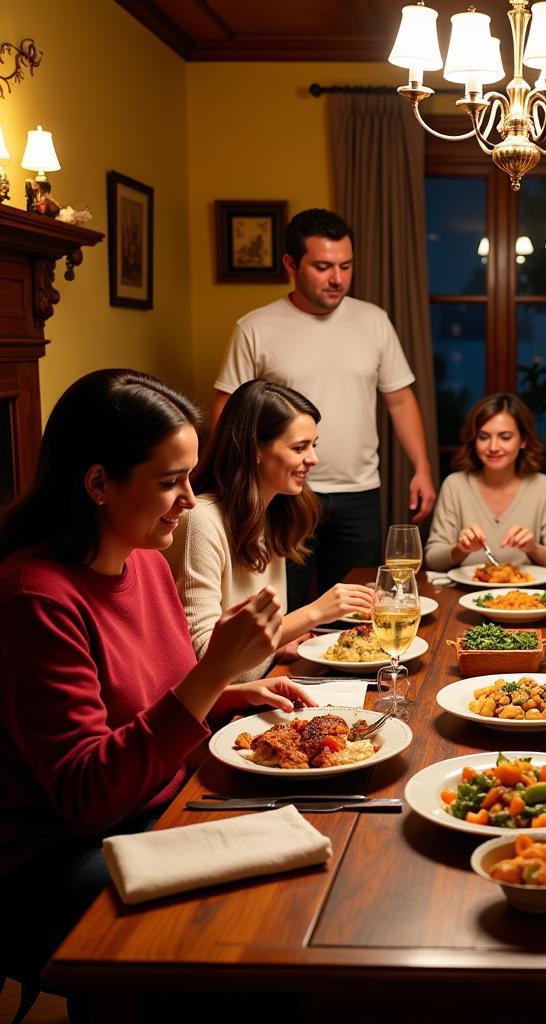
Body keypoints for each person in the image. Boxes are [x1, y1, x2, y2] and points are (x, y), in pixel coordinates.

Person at [0, 370, 316, 1011]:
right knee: (245, 954)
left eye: (190, 478)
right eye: (171, 482)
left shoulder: (143, 557)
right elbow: (89, 797)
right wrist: (214, 674)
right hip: (56, 857)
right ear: (97, 485)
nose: (190, 502)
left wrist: (232, 697)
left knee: (307, 898)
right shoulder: (36, 596)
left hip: (158, 809)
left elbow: (151, 703)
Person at [212, 208, 436, 610]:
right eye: (323, 266)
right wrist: (233, 483)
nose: (337, 279)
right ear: (291, 264)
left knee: (361, 610)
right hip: (284, 493)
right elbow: (229, 411)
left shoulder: (375, 321)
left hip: (359, 492)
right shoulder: (255, 327)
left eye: (346, 266)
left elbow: (400, 399)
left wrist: (421, 467)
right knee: (287, 609)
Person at [165, 379, 373, 679]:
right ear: (255, 450)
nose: (313, 459)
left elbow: (253, 643)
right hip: (221, 715)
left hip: (265, 682)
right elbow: (205, 658)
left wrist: (275, 647)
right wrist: (313, 613)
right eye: (299, 447)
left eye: (313, 446)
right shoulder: (201, 520)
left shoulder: (273, 514)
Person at [425, 393, 546, 570]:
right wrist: (461, 549)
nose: (493, 447)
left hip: (525, 596)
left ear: (523, 440)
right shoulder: (455, 485)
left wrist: (533, 549)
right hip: (463, 595)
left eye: (505, 437)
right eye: (483, 437)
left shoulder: (542, 486)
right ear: (473, 440)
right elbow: (432, 560)